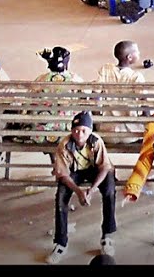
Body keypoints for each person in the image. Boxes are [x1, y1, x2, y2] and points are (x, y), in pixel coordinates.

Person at [46, 111, 117, 264]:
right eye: (76, 130)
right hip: (75, 172)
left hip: (95, 171)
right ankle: (61, 242)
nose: (79, 134)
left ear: (90, 130)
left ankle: (107, 236)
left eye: (84, 130)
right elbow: (63, 174)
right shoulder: (64, 144)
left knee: (110, 191)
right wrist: (78, 192)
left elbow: (104, 167)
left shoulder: (96, 141)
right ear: (71, 131)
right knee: (61, 197)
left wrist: (91, 190)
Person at [33, 47, 85, 144]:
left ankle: (54, 158)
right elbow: (86, 96)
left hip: (42, 133)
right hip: (69, 131)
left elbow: (31, 99)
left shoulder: (41, 79)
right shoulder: (75, 79)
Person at [95, 40, 146, 135]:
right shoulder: (136, 77)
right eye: (137, 51)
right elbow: (145, 104)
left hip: (106, 130)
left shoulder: (105, 69)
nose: (139, 53)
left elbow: (96, 95)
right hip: (131, 132)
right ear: (129, 57)